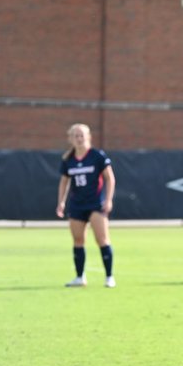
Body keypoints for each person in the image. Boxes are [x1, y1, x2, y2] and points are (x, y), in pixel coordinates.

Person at [55, 123, 115, 288]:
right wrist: (61, 202)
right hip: (77, 204)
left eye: (82, 135)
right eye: (76, 136)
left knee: (102, 239)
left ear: (88, 137)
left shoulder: (97, 156)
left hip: (95, 203)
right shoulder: (68, 159)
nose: (79, 138)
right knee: (78, 240)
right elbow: (64, 182)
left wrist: (108, 199)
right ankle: (80, 277)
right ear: (71, 139)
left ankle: (109, 277)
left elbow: (110, 178)